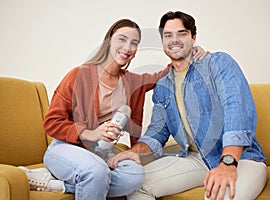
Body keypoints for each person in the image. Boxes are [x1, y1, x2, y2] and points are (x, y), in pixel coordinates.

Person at [18, 18, 208, 199]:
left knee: (135, 176)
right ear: (108, 41)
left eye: (134, 43)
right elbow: (51, 122)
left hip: (99, 153)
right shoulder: (79, 75)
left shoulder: (133, 82)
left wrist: (190, 51)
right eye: (122, 39)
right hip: (66, 148)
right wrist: (89, 133)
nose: (127, 47)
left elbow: (165, 72)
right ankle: (80, 177)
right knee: (96, 171)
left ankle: (57, 185)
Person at [107, 11, 267, 200]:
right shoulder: (163, 86)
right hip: (196, 159)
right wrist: (133, 153)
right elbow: (157, 134)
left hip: (242, 160)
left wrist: (228, 163)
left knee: (219, 196)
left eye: (182, 34)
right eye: (168, 35)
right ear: (162, 41)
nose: (175, 40)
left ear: (193, 37)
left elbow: (236, 109)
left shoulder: (218, 64)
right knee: (134, 185)